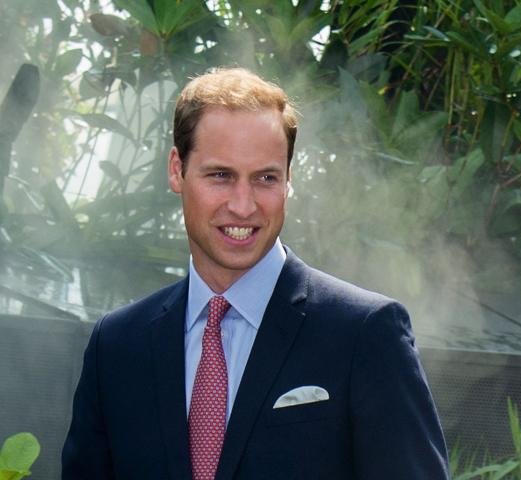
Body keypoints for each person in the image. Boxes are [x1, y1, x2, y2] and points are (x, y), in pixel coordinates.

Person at [62, 67, 449, 479]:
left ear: (288, 180)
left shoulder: (365, 333)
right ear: (177, 170)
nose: (243, 205)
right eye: (221, 176)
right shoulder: (118, 345)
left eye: (265, 178)